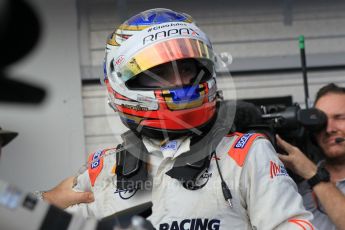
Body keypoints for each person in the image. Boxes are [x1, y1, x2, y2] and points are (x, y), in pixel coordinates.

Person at [45, 8, 315, 229]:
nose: (182, 84)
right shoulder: (102, 167)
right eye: (161, 73)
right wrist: (42, 201)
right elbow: (25, 216)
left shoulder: (244, 153)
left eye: (187, 69)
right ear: (124, 82)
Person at [277, 83, 345, 230]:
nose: (329, 129)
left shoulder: (309, 172)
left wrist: (313, 174)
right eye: (321, 121)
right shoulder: (297, 185)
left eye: (340, 118)